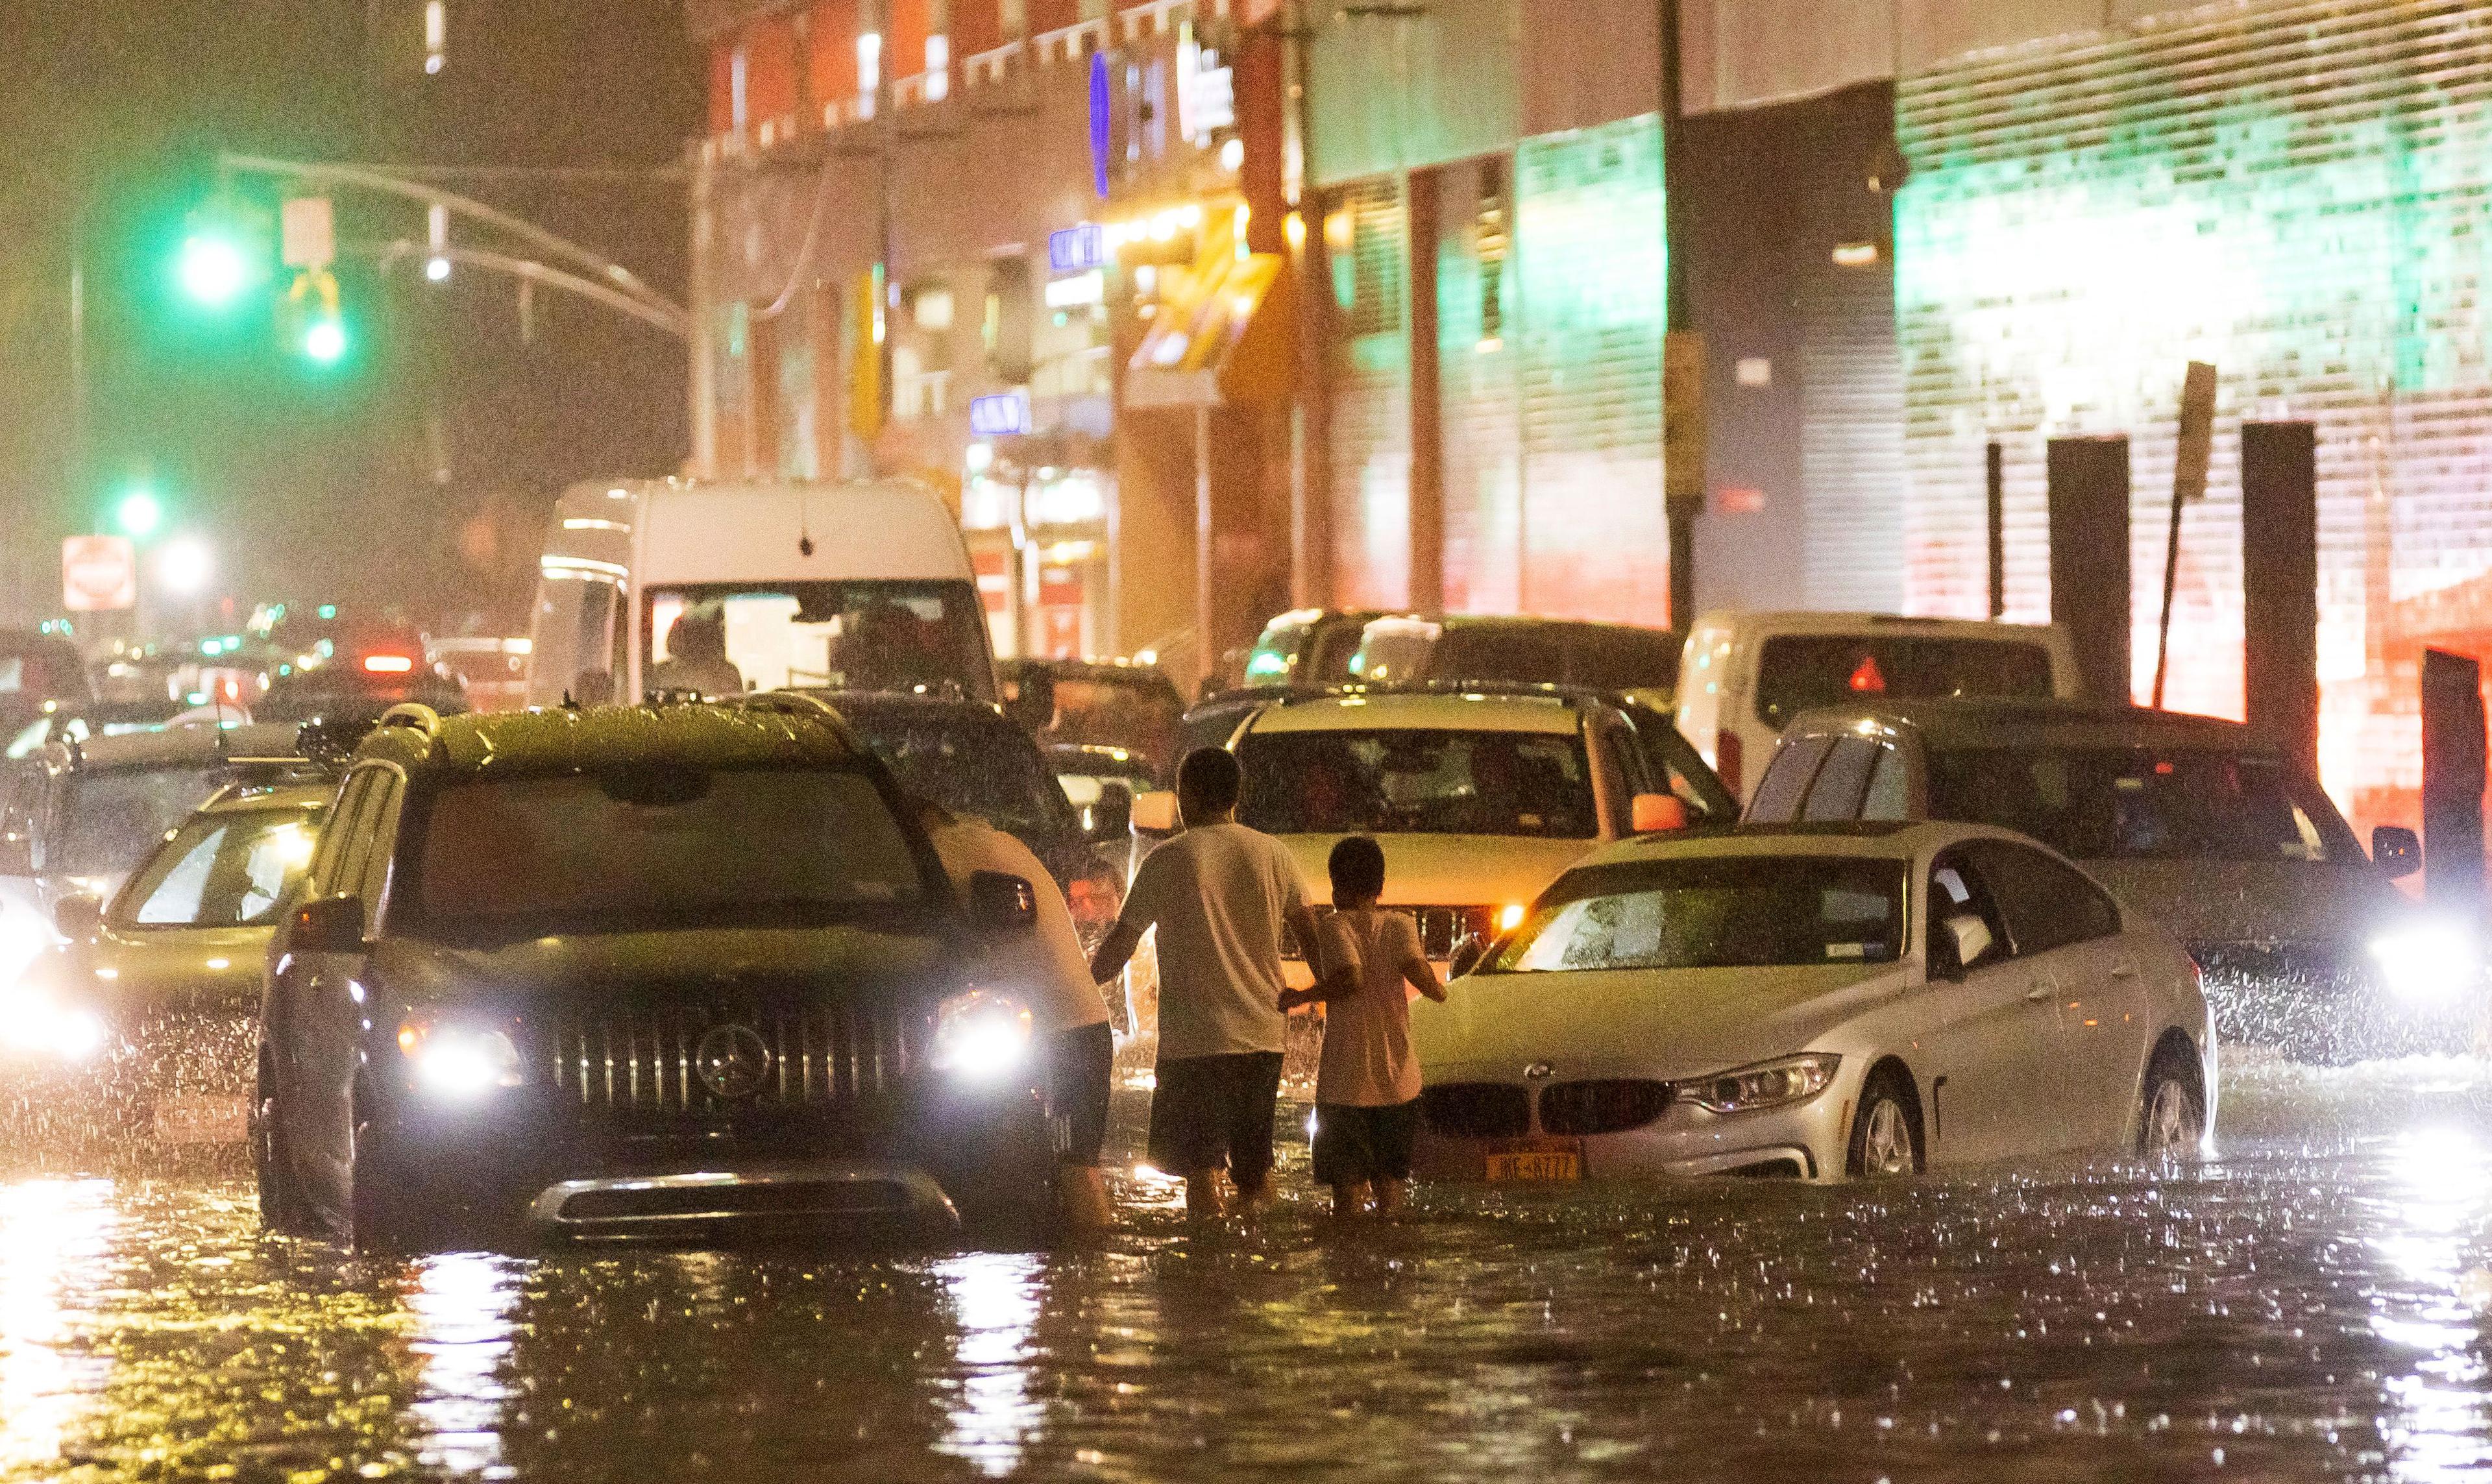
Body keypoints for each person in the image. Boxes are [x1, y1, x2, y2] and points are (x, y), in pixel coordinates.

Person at [1090, 746, 1321, 1219]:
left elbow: (1122, 944)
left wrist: (1078, 984)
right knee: (1256, 1170)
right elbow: (1313, 939)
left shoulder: (1169, 858)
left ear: (1187, 795)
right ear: (1236, 796)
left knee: (1201, 1170)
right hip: (1264, 1038)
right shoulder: (1274, 854)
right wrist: (1331, 994)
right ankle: (1259, 1258)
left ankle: (1207, 1269)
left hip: (1196, 1044)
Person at [920, 800, 1117, 1233]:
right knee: (1062, 1166)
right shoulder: (998, 840)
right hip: (1067, 1029)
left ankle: (1092, 1264)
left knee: (1074, 1166)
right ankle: (1074, 1280)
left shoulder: (940, 852)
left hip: (1064, 1033)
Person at [1280, 836, 1445, 1220]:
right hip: (1399, 1080)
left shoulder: (1335, 926)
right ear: (1380, 887)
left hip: (1347, 1084)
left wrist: (1302, 995)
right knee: (1392, 1194)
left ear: (1337, 888)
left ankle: (1351, 1270)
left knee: (1347, 1200)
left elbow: (1350, 978)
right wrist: (1442, 982)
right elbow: (1432, 989)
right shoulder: (1402, 926)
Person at [648, 611, 744, 699]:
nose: (683, 641)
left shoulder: (726, 673)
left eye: (688, 635)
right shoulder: (660, 672)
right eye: (680, 635)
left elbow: (734, 706)